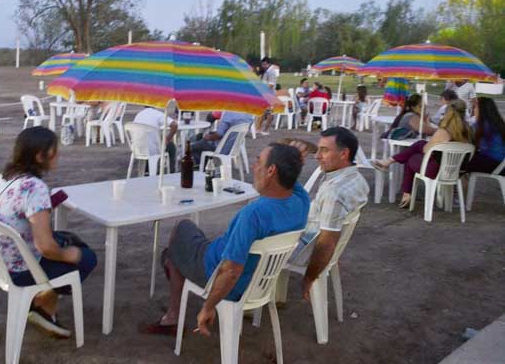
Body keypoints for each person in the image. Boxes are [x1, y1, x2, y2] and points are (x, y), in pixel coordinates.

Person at [140, 143, 309, 335]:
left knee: (181, 228)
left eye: (258, 161)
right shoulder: (301, 202)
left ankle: (172, 316)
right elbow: (291, 181)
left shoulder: (254, 214)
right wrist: (293, 163)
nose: (254, 167)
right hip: (258, 282)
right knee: (181, 248)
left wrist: (208, 306)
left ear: (271, 170)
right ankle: (174, 266)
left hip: (217, 273)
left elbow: (230, 271)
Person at [0, 127, 97, 338]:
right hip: (22, 269)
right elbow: (45, 247)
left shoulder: (5, 177)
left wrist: (45, 209)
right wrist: (71, 255)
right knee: (87, 257)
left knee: (69, 239)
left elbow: (18, 212)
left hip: (3, 260)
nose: (58, 155)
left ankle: (43, 303)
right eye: (54, 151)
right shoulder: (35, 187)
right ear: (40, 156)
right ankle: (41, 304)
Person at [286, 127, 369, 300]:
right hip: (311, 234)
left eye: (324, 150)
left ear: (344, 153)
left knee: (254, 239)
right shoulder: (357, 179)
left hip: (304, 248)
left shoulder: (334, 192)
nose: (316, 156)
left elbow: (326, 243)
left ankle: (248, 297)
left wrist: (309, 277)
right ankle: (274, 294)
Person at [372, 99, 472, 208]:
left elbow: (426, 150)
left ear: (448, 114)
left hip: (436, 170)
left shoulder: (443, 132)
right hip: (456, 171)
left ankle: (406, 192)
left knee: (414, 153)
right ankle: (403, 188)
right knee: (418, 148)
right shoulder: (469, 131)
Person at [465, 97, 505, 174]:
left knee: (458, 160)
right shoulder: (499, 123)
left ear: (482, 109)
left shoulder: (481, 126)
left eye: (475, 108)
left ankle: (461, 184)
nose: (473, 110)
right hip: (502, 164)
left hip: (494, 164)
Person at [133, 106, 178, 172]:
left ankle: (147, 169)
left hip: (137, 148)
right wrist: (167, 139)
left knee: (150, 140)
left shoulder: (139, 115)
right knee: (171, 146)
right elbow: (175, 125)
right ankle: (171, 173)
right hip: (152, 150)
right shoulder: (156, 114)